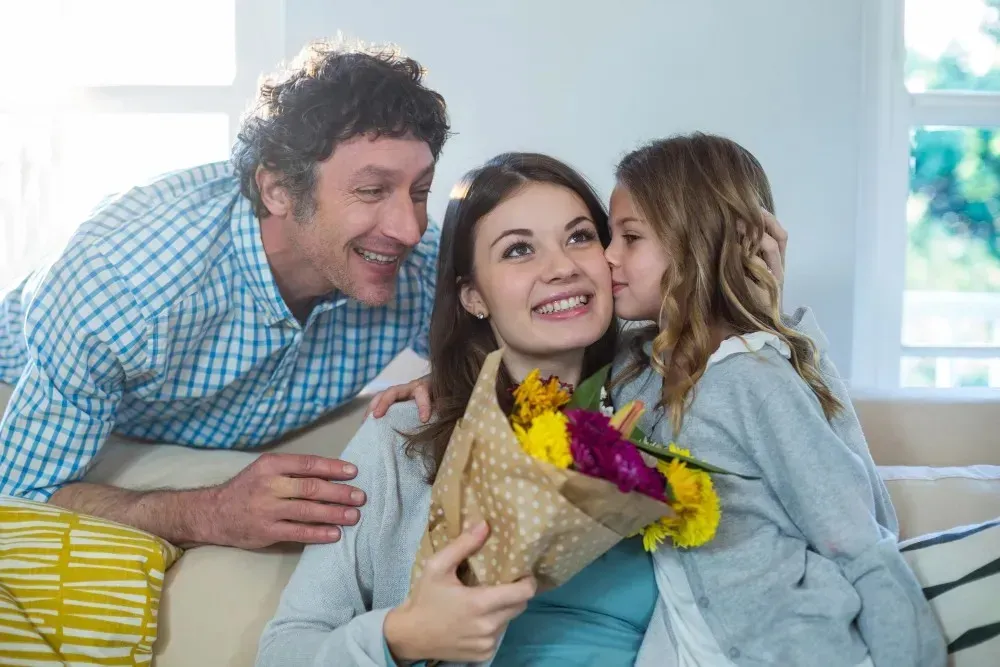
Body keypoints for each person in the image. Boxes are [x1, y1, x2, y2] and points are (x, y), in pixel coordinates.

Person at [0, 39, 451, 549]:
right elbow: (21, 495)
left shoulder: (418, 260)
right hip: (38, 407)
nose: (409, 229)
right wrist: (210, 513)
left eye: (419, 191)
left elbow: (501, 360)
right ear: (278, 190)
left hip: (241, 433)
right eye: (372, 191)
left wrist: (456, 375)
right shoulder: (125, 282)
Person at [256, 152, 683, 667]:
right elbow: (288, 646)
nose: (563, 268)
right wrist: (401, 637)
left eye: (579, 237)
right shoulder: (406, 432)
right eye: (519, 250)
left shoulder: (672, 394)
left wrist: (751, 293)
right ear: (474, 296)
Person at [603, 133, 944, 665]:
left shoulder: (752, 376)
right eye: (609, 235)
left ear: (699, 243)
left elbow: (859, 539)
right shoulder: (633, 373)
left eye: (630, 237)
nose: (607, 256)